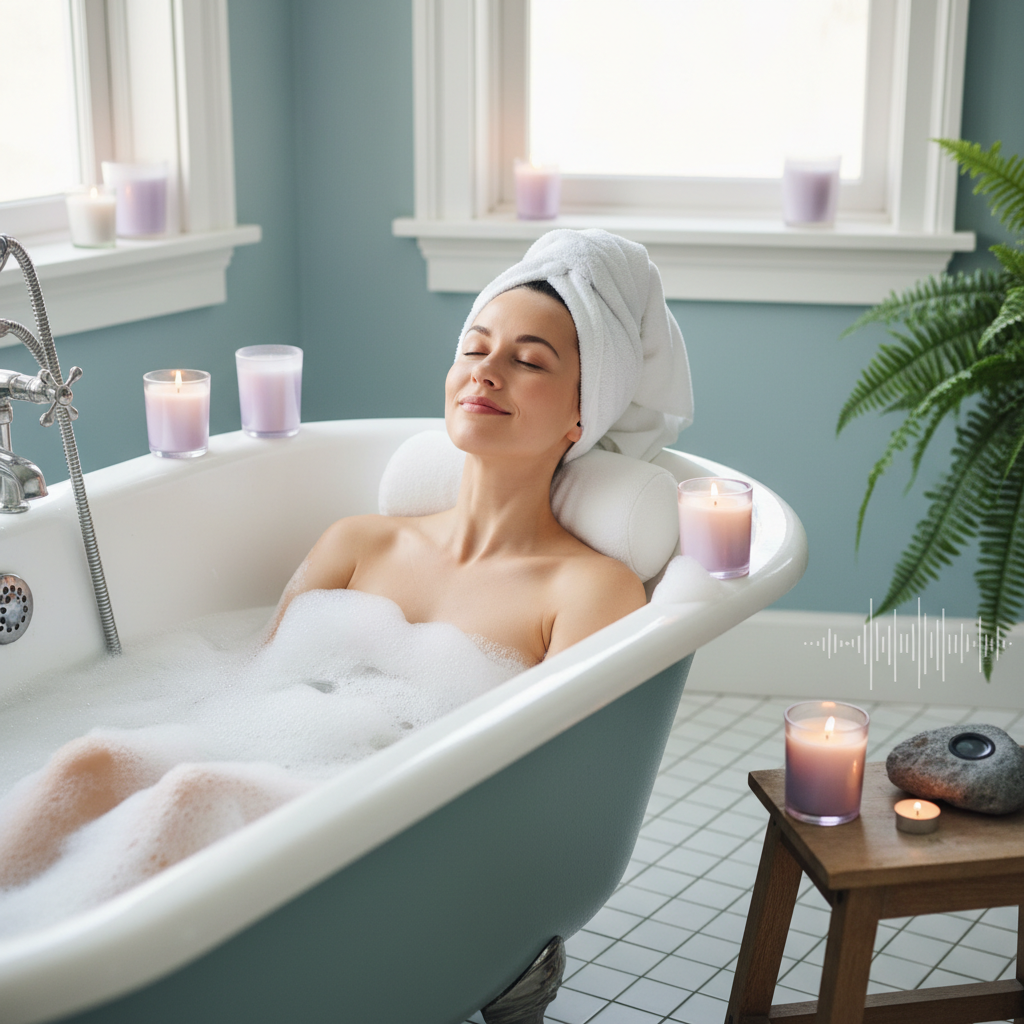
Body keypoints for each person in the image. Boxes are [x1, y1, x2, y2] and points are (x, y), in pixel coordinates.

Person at [0, 229, 693, 891]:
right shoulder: (360, 543)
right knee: (90, 762)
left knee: (193, 793)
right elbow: (243, 689)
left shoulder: (589, 589)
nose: (486, 371)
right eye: (474, 349)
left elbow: (549, 783)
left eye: (529, 360)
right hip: (278, 758)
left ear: (583, 415)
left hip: (416, 832)